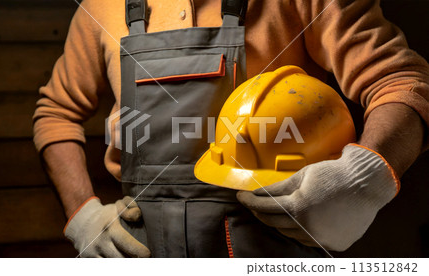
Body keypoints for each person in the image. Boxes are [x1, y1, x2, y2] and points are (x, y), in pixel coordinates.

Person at [33, 0, 429, 257]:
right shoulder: (101, 7)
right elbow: (55, 112)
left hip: (270, 244)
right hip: (143, 246)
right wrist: (82, 216)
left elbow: (403, 82)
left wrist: (363, 178)